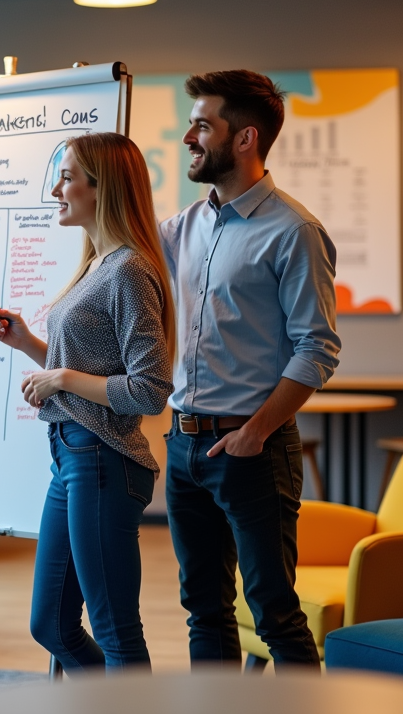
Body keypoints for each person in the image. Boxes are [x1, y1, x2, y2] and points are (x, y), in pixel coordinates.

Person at [159, 69, 341, 670]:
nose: (189, 136)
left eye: (202, 124)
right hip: (184, 448)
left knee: (273, 611)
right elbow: (115, 254)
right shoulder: (184, 228)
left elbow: (316, 349)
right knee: (204, 610)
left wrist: (254, 432)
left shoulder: (295, 232)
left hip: (252, 449)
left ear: (245, 138)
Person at [0, 132, 174, 672]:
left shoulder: (129, 270)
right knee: (50, 625)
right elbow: (92, 370)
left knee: (115, 629)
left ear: (102, 188)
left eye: (66, 177)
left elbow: (148, 390)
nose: (55, 189)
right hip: (73, 458)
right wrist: (29, 345)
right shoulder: (98, 264)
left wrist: (61, 377)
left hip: (103, 461)